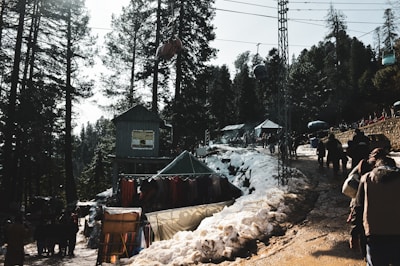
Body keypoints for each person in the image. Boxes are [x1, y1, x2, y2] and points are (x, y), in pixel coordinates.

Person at [350, 152, 400, 265]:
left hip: (375, 236)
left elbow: (358, 208)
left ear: (375, 166)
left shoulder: (366, 178)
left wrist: (354, 234)